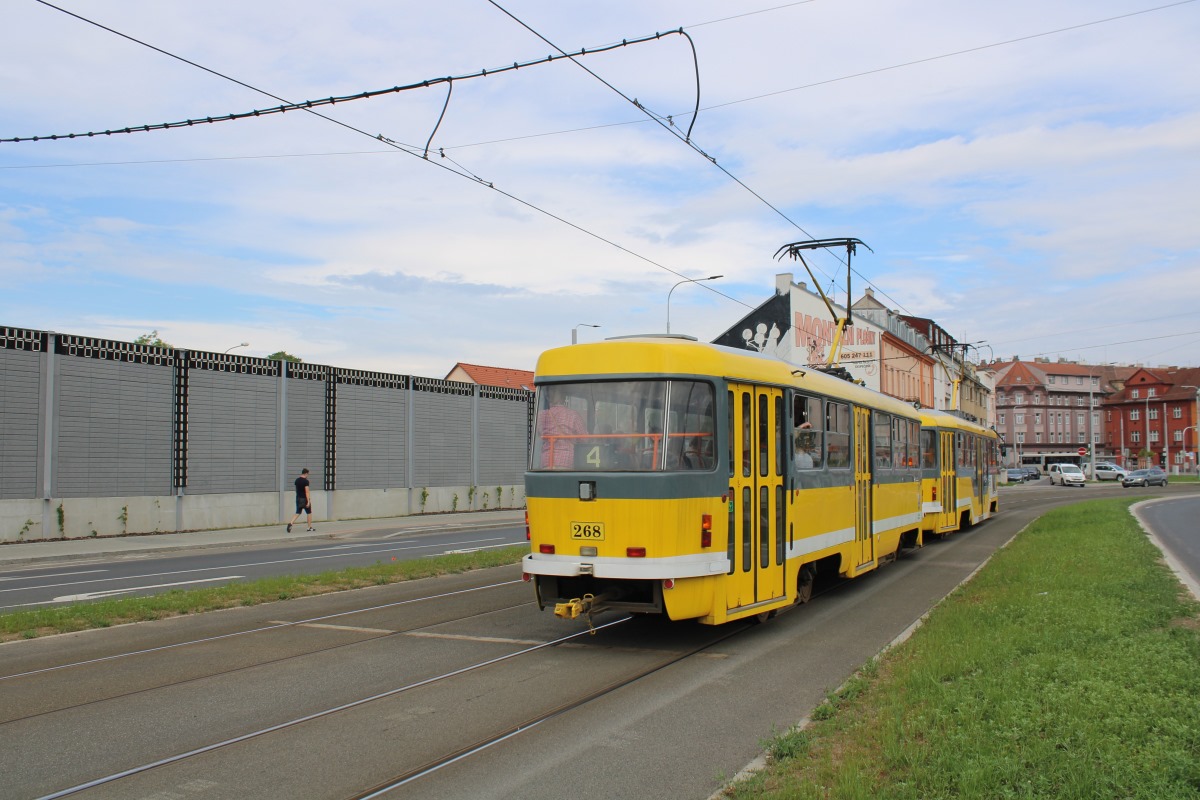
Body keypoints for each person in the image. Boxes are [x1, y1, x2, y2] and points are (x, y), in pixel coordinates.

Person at [538, 388, 587, 468]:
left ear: (547, 397)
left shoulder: (541, 415)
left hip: (546, 460)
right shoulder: (573, 415)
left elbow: (539, 435)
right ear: (564, 397)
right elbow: (584, 438)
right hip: (565, 460)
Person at [287, 468, 314, 532]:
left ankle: (290, 523)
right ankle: (309, 527)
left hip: (298, 498)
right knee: (309, 512)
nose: (308, 475)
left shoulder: (297, 480)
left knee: (298, 512)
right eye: (308, 474)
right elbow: (307, 492)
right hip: (304, 499)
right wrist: (308, 501)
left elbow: (297, 490)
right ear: (306, 473)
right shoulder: (306, 481)